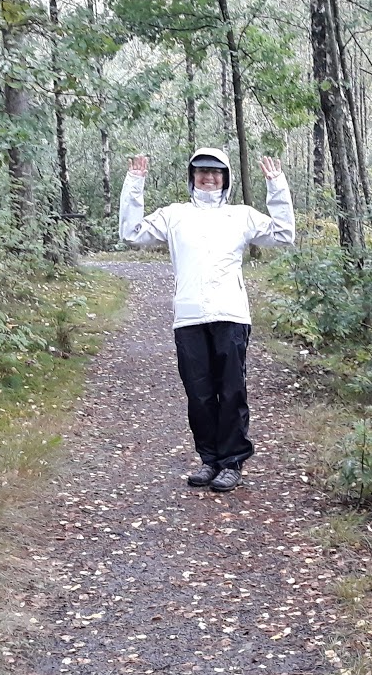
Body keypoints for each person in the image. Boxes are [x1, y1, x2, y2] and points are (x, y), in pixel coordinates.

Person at [119, 147, 295, 492]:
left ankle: (232, 462)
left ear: (226, 178)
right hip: (189, 317)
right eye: (202, 172)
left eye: (215, 173)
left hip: (231, 314)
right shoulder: (175, 215)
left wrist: (277, 187)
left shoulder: (240, 216)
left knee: (231, 391)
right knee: (198, 394)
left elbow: (283, 234)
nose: (209, 178)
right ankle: (209, 459)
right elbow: (132, 233)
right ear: (192, 177)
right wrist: (134, 183)